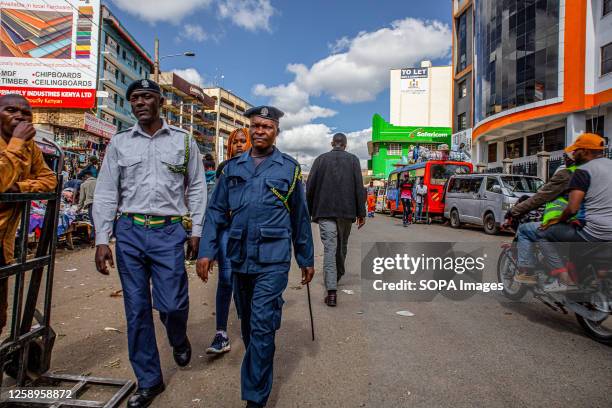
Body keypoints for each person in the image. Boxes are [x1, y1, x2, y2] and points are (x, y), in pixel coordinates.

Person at [93, 79, 206, 408]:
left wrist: (196, 230)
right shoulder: (119, 143)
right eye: (134, 98)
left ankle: (177, 335)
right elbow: (105, 192)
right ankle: (149, 380)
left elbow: (197, 188)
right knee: (137, 310)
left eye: (146, 96)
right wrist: (102, 238)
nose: (139, 102)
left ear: (161, 101)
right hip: (128, 231)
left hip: (169, 231)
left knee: (171, 305)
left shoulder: (184, 143)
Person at [197, 105, 314, 408]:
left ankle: (255, 398)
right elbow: (215, 213)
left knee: (262, 324)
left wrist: (305, 257)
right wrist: (206, 251)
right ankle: (259, 368)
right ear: (249, 129)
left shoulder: (289, 168)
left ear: (277, 131)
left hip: (272, 260)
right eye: (256, 125)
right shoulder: (233, 168)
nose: (261, 130)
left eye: (267, 126)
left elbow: (300, 217)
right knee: (248, 324)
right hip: (238, 258)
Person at [0, 94, 57, 336]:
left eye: (26, 113)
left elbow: (50, 180)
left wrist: (20, 188)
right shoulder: (20, 143)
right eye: (11, 110)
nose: (19, 116)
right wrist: (16, 143)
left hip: (4, 245)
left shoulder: (30, 147)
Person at [538, 133, 612, 291]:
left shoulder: (583, 171)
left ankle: (564, 280)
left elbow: (572, 208)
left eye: (576, 150)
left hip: (593, 232)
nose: (573, 154)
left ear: (585, 151)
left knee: (543, 235)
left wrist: (557, 220)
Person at [306, 132, 366, 307]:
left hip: (324, 212)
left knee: (330, 249)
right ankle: (334, 283)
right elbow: (359, 188)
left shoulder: (320, 159)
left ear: (333, 143)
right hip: (346, 213)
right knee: (341, 247)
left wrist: (307, 211)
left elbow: (310, 187)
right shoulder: (354, 160)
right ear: (345, 145)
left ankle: (332, 285)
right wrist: (361, 213)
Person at [206, 127, 251, 355]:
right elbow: (215, 207)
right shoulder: (223, 170)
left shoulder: (259, 168)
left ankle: (247, 326)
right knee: (226, 278)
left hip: (249, 234)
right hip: (226, 231)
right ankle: (221, 333)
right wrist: (210, 247)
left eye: (244, 141)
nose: (240, 145)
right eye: (235, 142)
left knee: (244, 280)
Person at [504, 153, 578, 283]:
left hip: (569, 224)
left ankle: (527, 272)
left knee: (527, 231)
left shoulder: (567, 175)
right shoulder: (596, 173)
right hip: (592, 225)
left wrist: (512, 211)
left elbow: (540, 197)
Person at [78, 172, 97, 243]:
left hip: (91, 205)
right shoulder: (98, 182)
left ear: (85, 177)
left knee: (93, 221)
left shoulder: (83, 184)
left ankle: (93, 237)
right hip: (100, 204)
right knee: (98, 221)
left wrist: (79, 208)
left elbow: (82, 198)